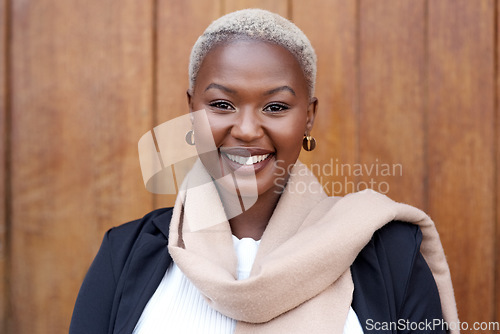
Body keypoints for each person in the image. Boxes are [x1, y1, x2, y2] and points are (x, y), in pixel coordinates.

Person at [70, 9, 459, 334]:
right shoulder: (123, 255)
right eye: (222, 104)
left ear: (309, 117)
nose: (247, 129)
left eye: (275, 107)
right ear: (191, 111)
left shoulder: (390, 254)